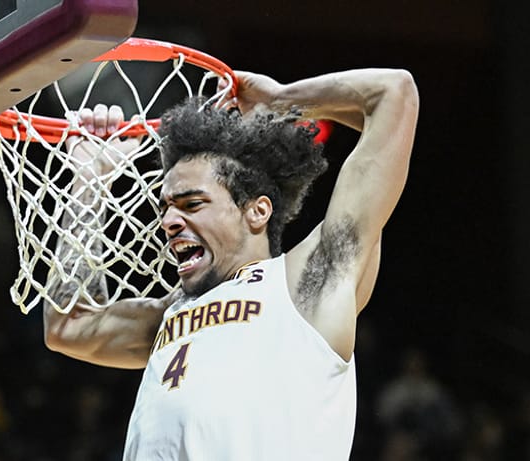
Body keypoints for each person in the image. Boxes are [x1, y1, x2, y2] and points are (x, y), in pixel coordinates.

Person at [41, 68, 419, 459]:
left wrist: (281, 102)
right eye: (167, 208)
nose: (169, 222)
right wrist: (89, 178)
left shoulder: (307, 283)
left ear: (256, 212)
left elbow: (394, 93)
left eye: (192, 204)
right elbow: (68, 325)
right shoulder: (169, 316)